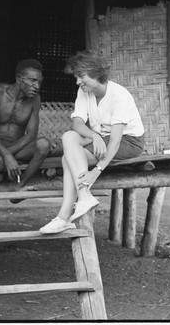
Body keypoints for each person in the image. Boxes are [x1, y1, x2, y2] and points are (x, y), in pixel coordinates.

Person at [39, 51, 145, 234]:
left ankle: (63, 217)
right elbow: (77, 123)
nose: (78, 82)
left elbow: (115, 141)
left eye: (81, 77)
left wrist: (96, 172)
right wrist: (94, 136)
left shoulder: (119, 95)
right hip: (101, 137)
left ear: (95, 73)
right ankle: (84, 196)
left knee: (67, 159)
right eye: (76, 77)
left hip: (128, 141)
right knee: (68, 137)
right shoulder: (84, 92)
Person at [0, 59, 50, 198]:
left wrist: (7, 154)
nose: (37, 86)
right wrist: (5, 154)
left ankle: (20, 185)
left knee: (43, 144)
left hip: (16, 149)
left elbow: (31, 136)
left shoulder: (35, 100)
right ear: (19, 78)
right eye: (32, 80)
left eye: (40, 82)